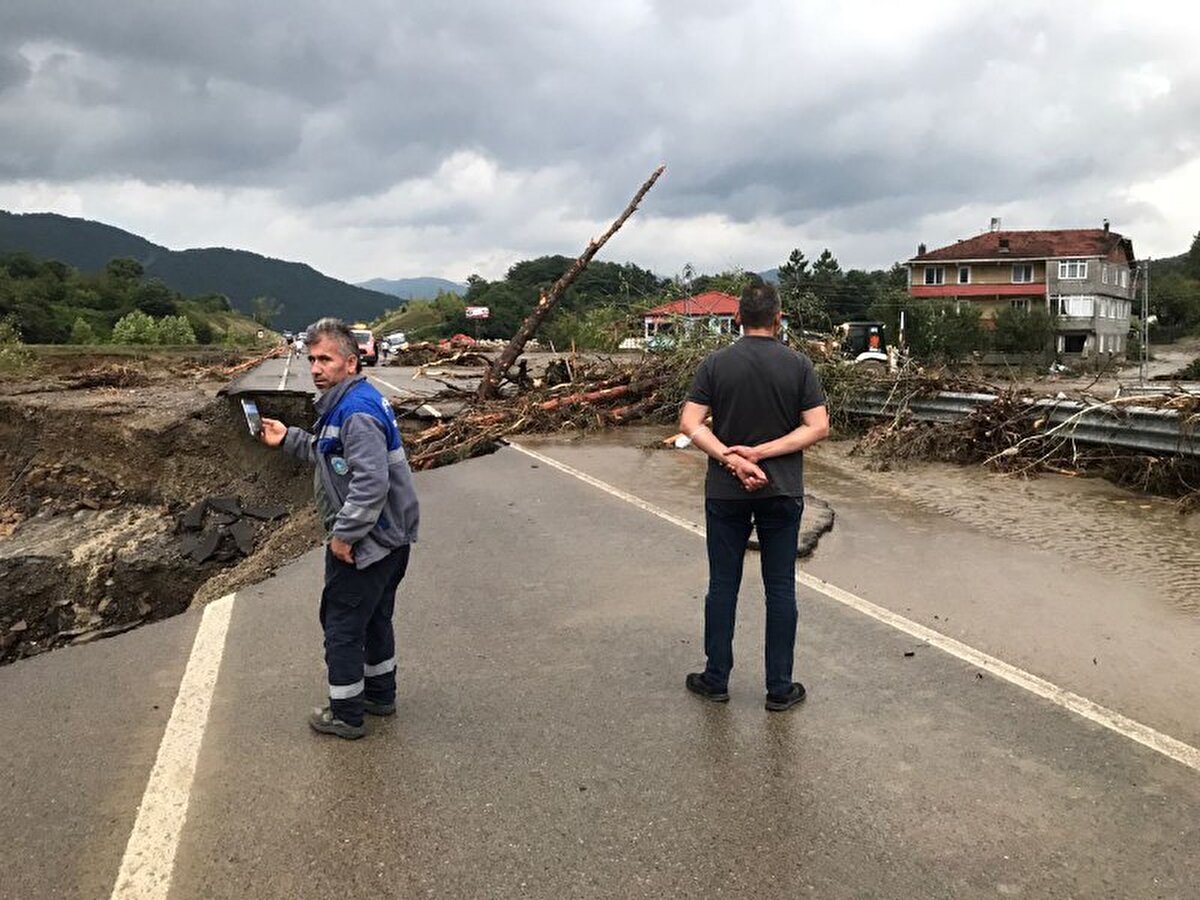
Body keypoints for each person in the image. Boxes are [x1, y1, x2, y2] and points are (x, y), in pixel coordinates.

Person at [259, 317, 420, 739]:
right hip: (392, 537)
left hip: (371, 541)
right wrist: (288, 437)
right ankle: (380, 695)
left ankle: (346, 714)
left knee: (343, 626)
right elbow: (330, 454)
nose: (315, 368)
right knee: (374, 618)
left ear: (351, 363)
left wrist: (345, 536)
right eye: (311, 359)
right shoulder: (350, 402)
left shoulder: (355, 412)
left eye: (325, 359)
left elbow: (369, 483)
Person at [679, 283, 829, 711]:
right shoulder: (799, 365)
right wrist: (762, 455)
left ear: (738, 319)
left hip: (726, 493)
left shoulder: (716, 364)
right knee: (780, 588)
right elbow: (817, 427)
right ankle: (779, 688)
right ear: (778, 319)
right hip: (781, 490)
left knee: (723, 585)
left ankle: (716, 678)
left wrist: (733, 459)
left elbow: (690, 423)